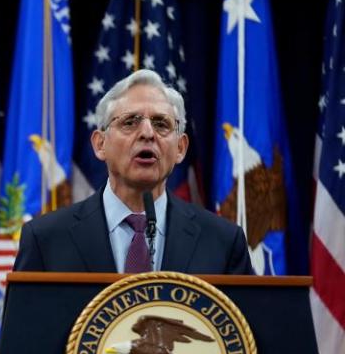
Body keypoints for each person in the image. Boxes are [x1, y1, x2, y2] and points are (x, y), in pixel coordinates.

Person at [13, 69, 253, 275]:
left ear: (180, 148)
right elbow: (26, 330)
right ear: (100, 144)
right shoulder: (46, 240)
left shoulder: (223, 243)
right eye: (130, 122)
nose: (147, 133)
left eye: (161, 124)